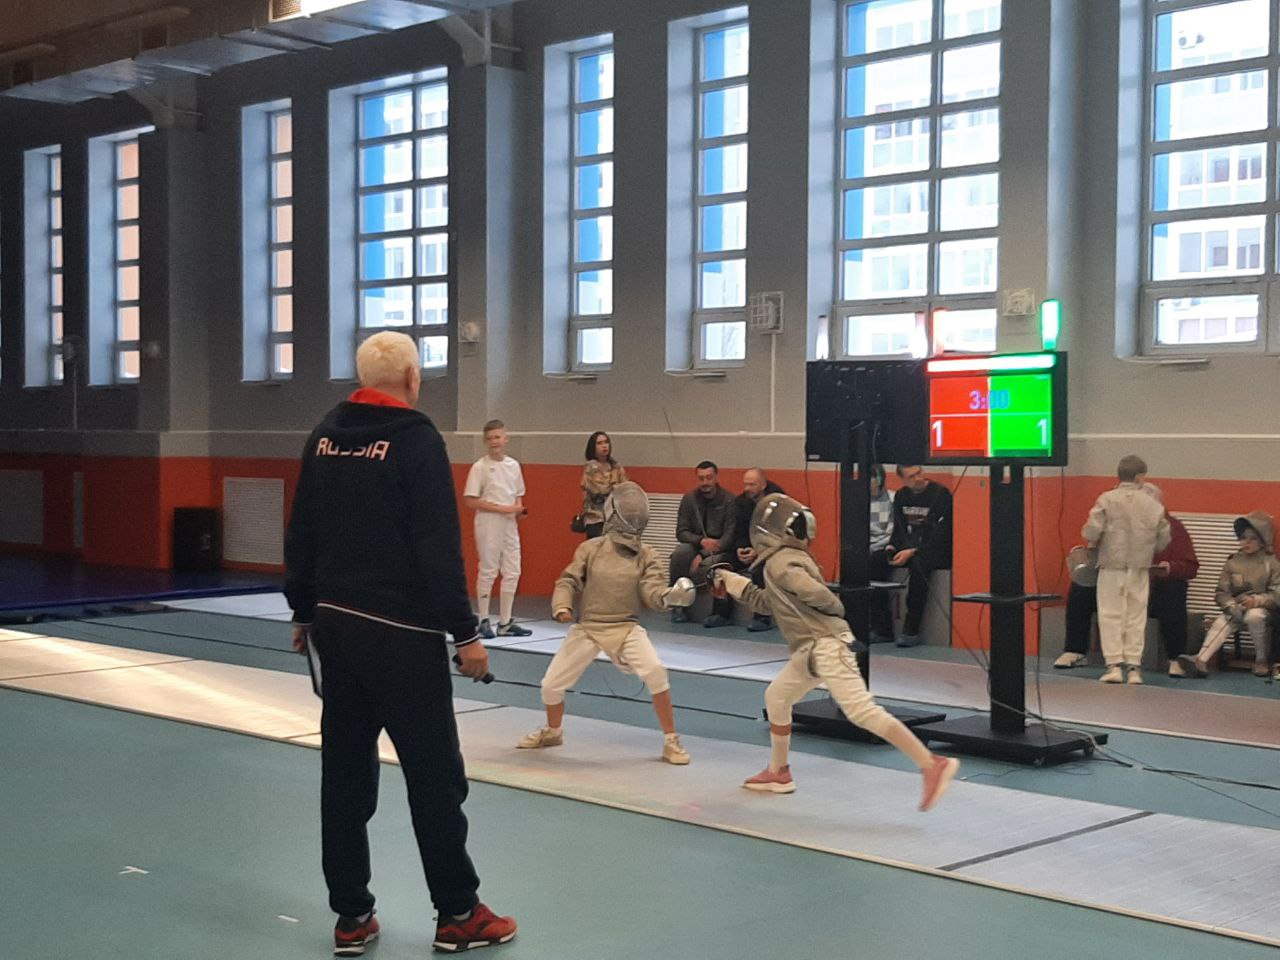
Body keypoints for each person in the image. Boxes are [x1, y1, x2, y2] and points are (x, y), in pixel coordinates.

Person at [284, 331, 516, 956]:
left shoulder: (324, 436)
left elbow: (301, 528)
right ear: (413, 378)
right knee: (435, 779)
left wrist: (303, 608)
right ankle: (459, 913)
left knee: (345, 778)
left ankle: (351, 918)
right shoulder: (416, 439)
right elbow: (438, 545)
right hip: (403, 637)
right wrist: (466, 633)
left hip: (336, 629)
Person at [710, 493, 959, 808]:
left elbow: (821, 596)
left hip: (826, 645)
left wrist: (829, 607)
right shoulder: (786, 560)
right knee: (777, 698)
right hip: (811, 651)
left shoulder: (782, 563)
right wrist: (728, 579)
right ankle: (779, 772)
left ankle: (932, 764)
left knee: (861, 711)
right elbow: (767, 603)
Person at [517, 482, 695, 764]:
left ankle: (671, 741)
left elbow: (651, 590)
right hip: (588, 627)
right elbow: (568, 580)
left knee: (655, 672)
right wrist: (562, 605)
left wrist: (669, 596)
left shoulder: (647, 554)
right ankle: (553, 731)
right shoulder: (591, 548)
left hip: (625, 627)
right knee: (550, 685)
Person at [1056, 484, 1198, 678]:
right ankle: (1075, 650)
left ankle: (1176, 659)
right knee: (1080, 589)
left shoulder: (1173, 528)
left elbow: (1190, 567)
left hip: (1151, 590)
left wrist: (1168, 568)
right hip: (1114, 587)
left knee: (1173, 590)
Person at [1082, 455, 1171, 685]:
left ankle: (1113, 666)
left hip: (1111, 565)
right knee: (1136, 616)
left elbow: (1091, 531)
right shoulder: (1153, 504)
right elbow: (1163, 538)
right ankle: (1134, 669)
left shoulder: (1106, 499)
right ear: (1140, 477)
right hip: (1139, 566)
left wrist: (1095, 540)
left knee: (1110, 614)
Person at [1177, 511, 1280, 680]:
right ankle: (1200, 660)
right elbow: (1221, 592)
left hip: (1264, 611)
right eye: (1243, 538)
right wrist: (1231, 606)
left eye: (1252, 538)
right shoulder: (1233, 562)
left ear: (1263, 540)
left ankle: (1261, 660)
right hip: (1238, 608)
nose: (1246, 542)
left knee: (1254, 616)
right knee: (1224, 619)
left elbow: (1277, 595)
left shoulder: (1272, 563)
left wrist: (1256, 601)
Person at [463, 419, 533, 641]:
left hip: (509, 524)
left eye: (497, 437)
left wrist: (517, 510)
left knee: (513, 570)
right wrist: (503, 509)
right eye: (490, 438)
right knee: (488, 569)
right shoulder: (480, 467)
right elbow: (470, 500)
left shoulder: (514, 466)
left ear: (505, 438)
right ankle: (484, 619)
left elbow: (518, 494)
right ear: (485, 441)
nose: (494, 441)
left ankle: (505, 622)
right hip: (488, 522)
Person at [886, 464, 952, 647]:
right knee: (875, 561)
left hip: (934, 550)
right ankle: (881, 627)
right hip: (908, 547)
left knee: (919, 565)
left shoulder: (940, 494)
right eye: (911, 476)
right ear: (903, 479)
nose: (918, 479)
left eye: (919, 473)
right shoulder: (901, 496)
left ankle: (911, 629)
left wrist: (914, 551)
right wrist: (892, 546)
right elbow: (899, 528)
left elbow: (941, 534)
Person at [669, 461, 737, 626]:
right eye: (701, 478)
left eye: (709, 478)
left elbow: (730, 536)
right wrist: (700, 541)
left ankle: (719, 612)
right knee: (679, 554)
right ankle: (678, 604)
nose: (705, 482)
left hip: (721, 547)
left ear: (716, 477)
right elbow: (681, 532)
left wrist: (703, 554)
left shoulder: (730, 501)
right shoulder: (689, 500)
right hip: (696, 543)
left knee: (712, 564)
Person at [730, 468, 785, 632]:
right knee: (721, 565)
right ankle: (721, 613)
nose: (747, 488)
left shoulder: (779, 502)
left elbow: (779, 535)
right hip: (749, 547)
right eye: (745, 484)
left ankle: (762, 616)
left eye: (752, 485)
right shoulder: (740, 503)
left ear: (763, 485)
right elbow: (739, 531)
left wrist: (759, 551)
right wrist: (740, 549)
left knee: (759, 569)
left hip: (773, 551)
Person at [865, 464, 897, 643]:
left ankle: (883, 629)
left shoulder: (893, 499)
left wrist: (877, 546)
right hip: (867, 548)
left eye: (871, 477)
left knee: (875, 568)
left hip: (886, 548)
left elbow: (893, 532)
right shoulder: (860, 501)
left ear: (879, 479)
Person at [579, 431, 627, 539]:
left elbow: (625, 487)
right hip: (595, 518)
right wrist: (615, 485)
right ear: (593, 447)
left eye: (606, 442)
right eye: (599, 443)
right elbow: (600, 490)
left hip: (614, 519)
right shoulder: (591, 467)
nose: (604, 446)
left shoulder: (616, 466)